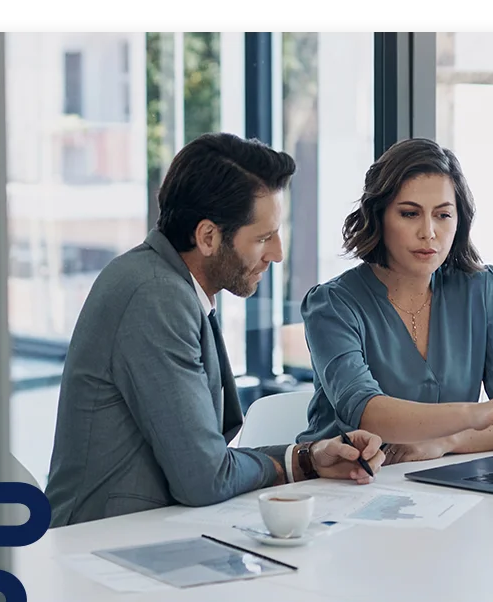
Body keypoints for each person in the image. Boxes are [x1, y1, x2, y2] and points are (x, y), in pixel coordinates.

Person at [44, 132, 385, 528]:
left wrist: (306, 457)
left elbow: (206, 462)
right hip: (102, 546)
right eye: (262, 238)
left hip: (152, 535)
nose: (277, 254)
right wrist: (297, 463)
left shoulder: (170, 283)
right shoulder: (154, 296)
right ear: (208, 237)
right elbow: (204, 478)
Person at [296, 138, 493, 465]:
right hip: (344, 483)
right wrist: (477, 414)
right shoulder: (332, 305)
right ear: (379, 216)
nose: (428, 232)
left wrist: (448, 441)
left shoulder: (482, 289)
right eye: (410, 214)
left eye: (443, 215)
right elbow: (367, 412)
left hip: (442, 486)